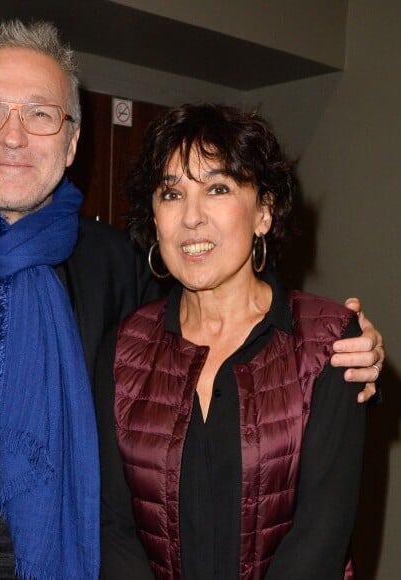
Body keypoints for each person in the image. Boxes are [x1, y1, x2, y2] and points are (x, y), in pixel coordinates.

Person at [0, 21, 382, 580]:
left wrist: (356, 351)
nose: (14, 135)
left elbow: (219, 329)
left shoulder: (117, 264)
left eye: (41, 113)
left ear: (71, 141)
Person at [95, 103, 376, 579]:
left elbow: (320, 539)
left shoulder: (329, 341)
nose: (191, 218)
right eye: (171, 193)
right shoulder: (122, 350)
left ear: (264, 212)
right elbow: (112, 526)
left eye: (218, 188)